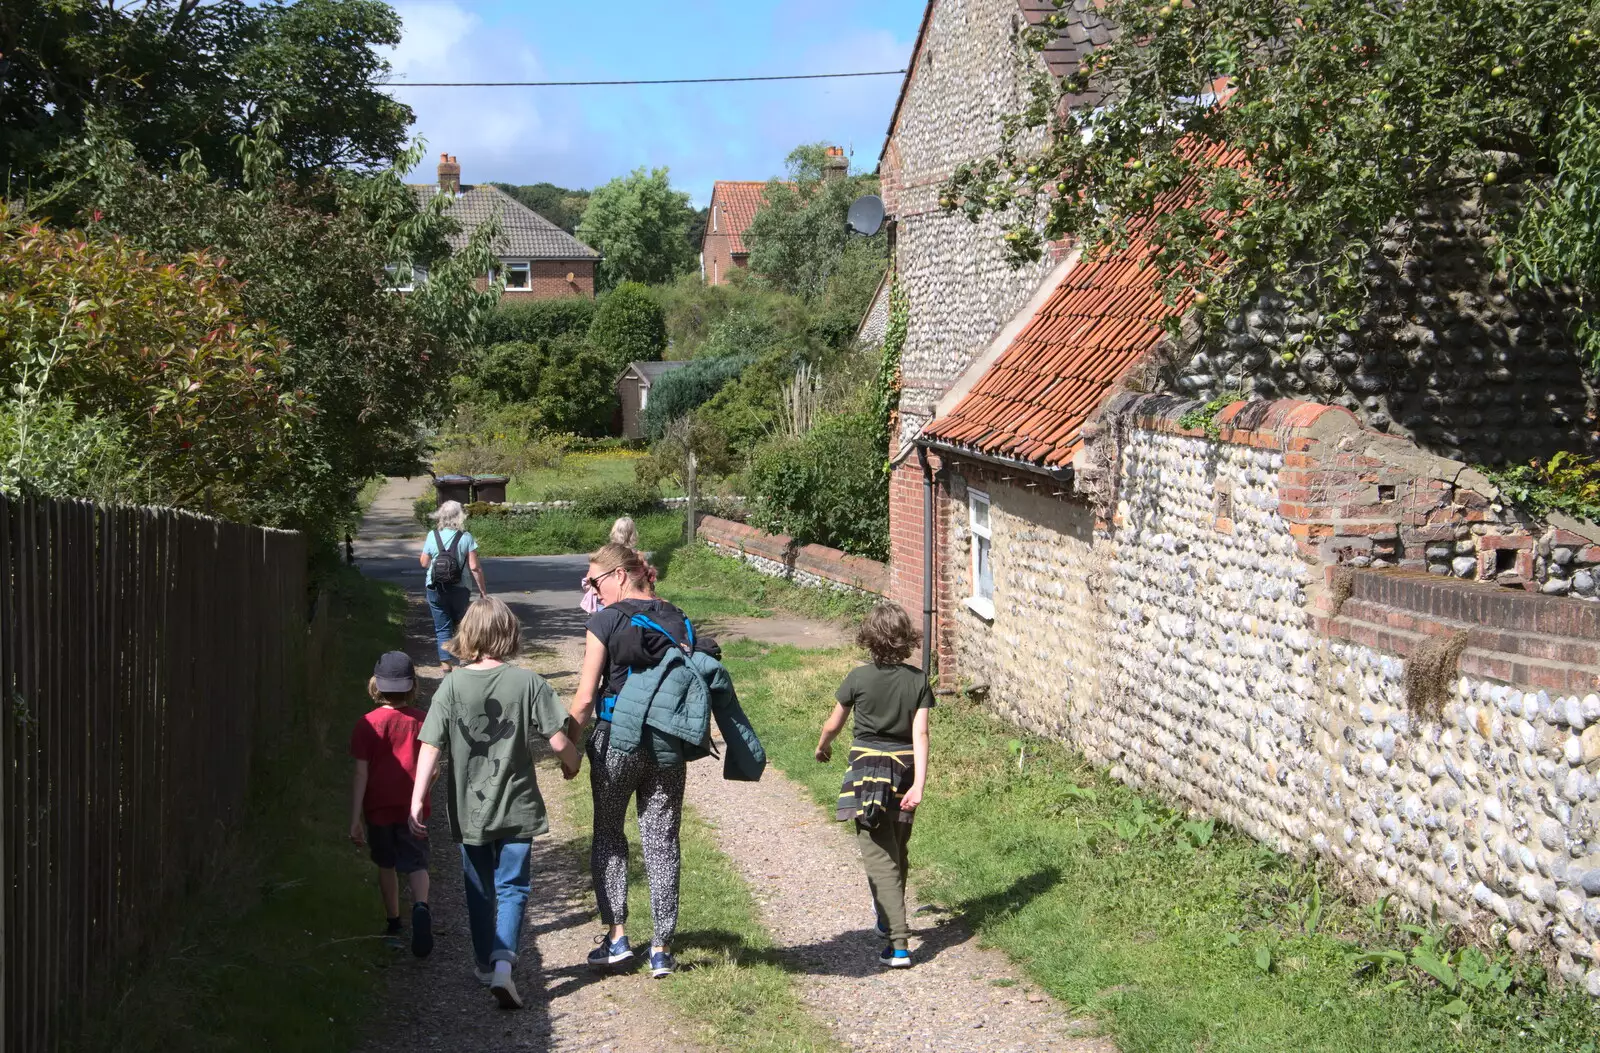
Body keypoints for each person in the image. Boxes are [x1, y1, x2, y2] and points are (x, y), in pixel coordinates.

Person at [409, 597, 579, 1010]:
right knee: (514, 886)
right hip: (517, 808)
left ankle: (486, 965)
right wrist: (572, 764)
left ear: (468, 635)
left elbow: (430, 745)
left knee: (479, 888)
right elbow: (559, 741)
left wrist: (417, 798)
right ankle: (504, 964)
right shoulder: (528, 683)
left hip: (471, 810)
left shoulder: (451, 684)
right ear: (510, 635)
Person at [568, 543, 695, 979]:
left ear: (620, 575)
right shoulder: (675, 616)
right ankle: (661, 948)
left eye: (595, 581)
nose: (593, 589)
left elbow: (585, 698)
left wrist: (568, 744)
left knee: (608, 833)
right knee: (662, 839)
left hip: (616, 742)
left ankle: (617, 937)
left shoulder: (604, 620)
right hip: (666, 743)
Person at [814, 603, 932, 969]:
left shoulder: (858, 678)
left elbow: (834, 723)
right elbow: (921, 734)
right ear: (905, 639)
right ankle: (886, 917)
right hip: (904, 772)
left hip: (868, 773)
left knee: (879, 857)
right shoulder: (918, 681)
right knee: (895, 847)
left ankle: (898, 945)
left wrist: (823, 746)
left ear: (870, 639)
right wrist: (920, 785)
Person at [348, 651, 433, 957]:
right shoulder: (423, 722)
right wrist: (422, 796)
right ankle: (421, 906)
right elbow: (433, 768)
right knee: (417, 862)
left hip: (378, 808)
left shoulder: (366, 725)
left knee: (386, 864)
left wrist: (355, 817)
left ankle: (394, 923)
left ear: (376, 685)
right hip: (414, 809)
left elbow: (361, 772)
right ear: (413, 686)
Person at [420, 500, 488, 670]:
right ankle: (463, 662)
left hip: (435, 587)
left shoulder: (432, 535)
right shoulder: (466, 537)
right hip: (460, 587)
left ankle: (446, 666)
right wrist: (482, 591)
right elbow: (474, 567)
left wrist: (438, 567)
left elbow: (423, 562)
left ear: (441, 516)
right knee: (461, 625)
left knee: (442, 628)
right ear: (460, 516)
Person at [581, 517, 656, 613]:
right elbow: (647, 581)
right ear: (633, 534)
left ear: (614, 531)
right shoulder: (638, 557)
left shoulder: (606, 554)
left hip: (604, 602)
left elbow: (590, 577)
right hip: (631, 605)